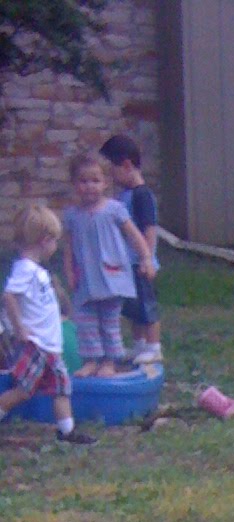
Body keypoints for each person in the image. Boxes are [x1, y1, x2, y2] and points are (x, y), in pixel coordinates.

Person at [1, 201, 94, 444]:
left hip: (50, 345)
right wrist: (19, 328)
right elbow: (8, 296)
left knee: (61, 387)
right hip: (36, 344)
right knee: (23, 391)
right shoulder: (25, 270)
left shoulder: (38, 271)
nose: (55, 246)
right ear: (44, 241)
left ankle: (67, 431)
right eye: (54, 241)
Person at [61, 149, 156, 378]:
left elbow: (135, 235)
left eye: (95, 181)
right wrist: (69, 272)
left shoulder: (114, 209)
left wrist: (146, 258)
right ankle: (91, 360)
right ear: (74, 184)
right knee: (86, 322)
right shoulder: (72, 215)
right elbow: (68, 246)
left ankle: (110, 361)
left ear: (105, 183)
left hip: (111, 277)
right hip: (86, 278)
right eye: (83, 181)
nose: (89, 186)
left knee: (109, 322)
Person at [98, 132, 163, 367]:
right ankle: (139, 344)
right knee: (133, 308)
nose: (111, 177)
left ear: (126, 165)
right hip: (127, 263)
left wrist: (147, 258)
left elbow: (149, 229)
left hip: (140, 262)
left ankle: (154, 346)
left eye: (112, 170)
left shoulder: (141, 195)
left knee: (147, 306)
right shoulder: (124, 195)